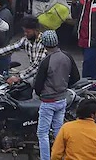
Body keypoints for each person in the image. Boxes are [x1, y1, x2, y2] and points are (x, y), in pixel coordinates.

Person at [33, 29, 79, 160]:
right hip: (62, 100)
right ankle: (61, 156)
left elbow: (38, 85)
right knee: (58, 131)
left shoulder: (46, 61)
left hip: (48, 102)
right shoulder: (67, 56)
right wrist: (64, 86)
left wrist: (40, 93)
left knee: (43, 133)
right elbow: (76, 77)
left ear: (44, 44)